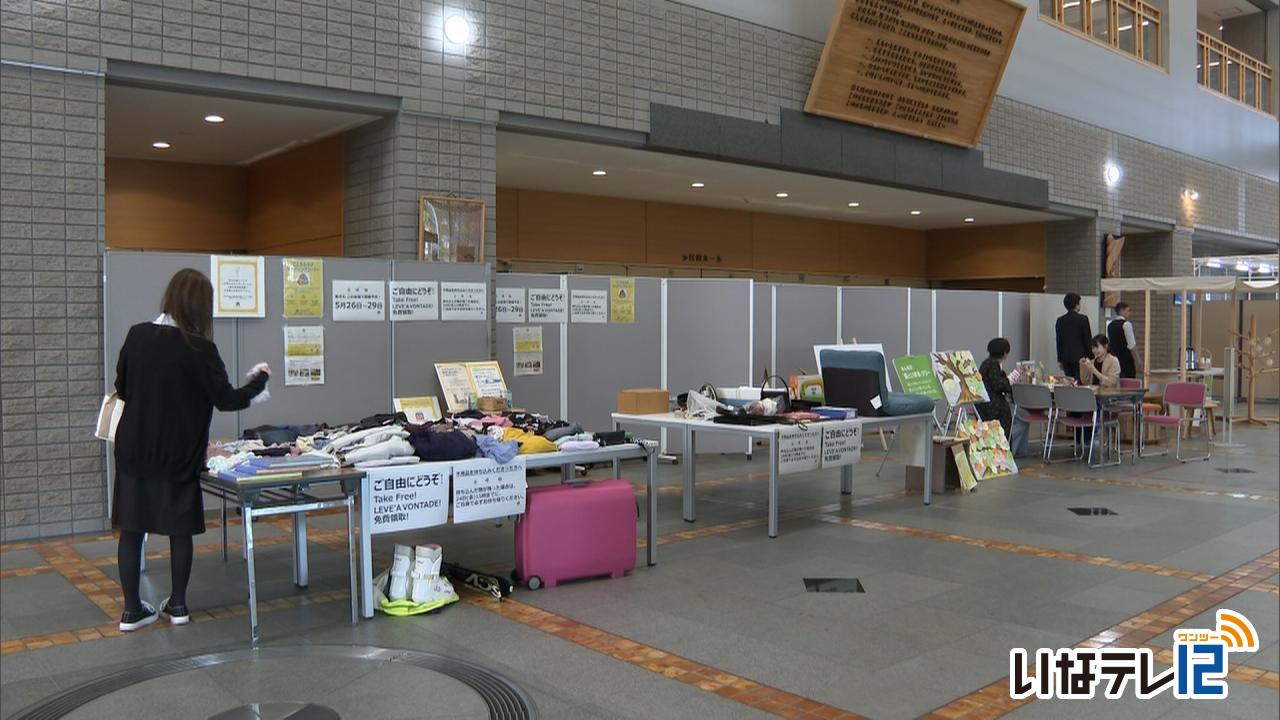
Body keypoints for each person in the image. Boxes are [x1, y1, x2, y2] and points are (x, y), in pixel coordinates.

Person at [112, 269, 270, 631]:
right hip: (179, 454)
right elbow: (227, 400)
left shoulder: (137, 336)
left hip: (135, 450)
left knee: (132, 529)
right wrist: (259, 380)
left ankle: (132, 611)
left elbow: (122, 387)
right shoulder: (201, 349)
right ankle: (178, 605)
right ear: (201, 306)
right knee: (178, 530)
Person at [975, 337, 1030, 457]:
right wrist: (1015, 375)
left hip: (984, 405)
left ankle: (1015, 450)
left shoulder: (986, 363)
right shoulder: (993, 365)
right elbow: (1000, 385)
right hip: (994, 407)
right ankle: (1009, 450)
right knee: (1022, 419)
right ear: (1005, 353)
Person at [1055, 292, 1093, 382]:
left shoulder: (1060, 320)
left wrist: (1060, 359)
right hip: (1081, 358)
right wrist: (1091, 356)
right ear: (1076, 305)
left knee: (1070, 382)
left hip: (1065, 358)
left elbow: (1059, 341)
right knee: (1080, 382)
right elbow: (1087, 339)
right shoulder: (1083, 319)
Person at [1107, 301, 1140, 378]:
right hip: (1125, 358)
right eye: (1128, 311)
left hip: (1114, 357)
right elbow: (1132, 344)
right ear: (1121, 311)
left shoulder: (1110, 325)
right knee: (1128, 380)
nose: (1129, 313)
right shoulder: (1126, 324)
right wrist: (1138, 359)